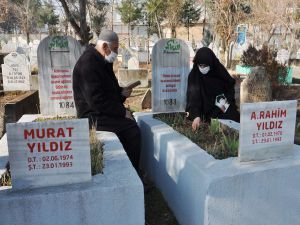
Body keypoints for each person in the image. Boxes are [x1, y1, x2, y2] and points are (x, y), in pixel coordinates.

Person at [72, 30, 141, 172]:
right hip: (92, 116)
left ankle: (131, 170)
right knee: (132, 131)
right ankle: (132, 173)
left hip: (102, 111)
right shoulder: (88, 64)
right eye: (115, 49)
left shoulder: (102, 60)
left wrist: (122, 93)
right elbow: (96, 101)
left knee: (130, 121)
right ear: (104, 47)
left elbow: (110, 91)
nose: (116, 53)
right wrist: (122, 112)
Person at [185, 47, 240, 131]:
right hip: (204, 109)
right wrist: (196, 116)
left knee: (232, 117)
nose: (202, 68)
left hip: (221, 105)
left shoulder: (218, 70)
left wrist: (225, 102)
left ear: (211, 63)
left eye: (205, 65)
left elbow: (229, 86)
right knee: (208, 121)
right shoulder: (194, 76)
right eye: (200, 65)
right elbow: (193, 98)